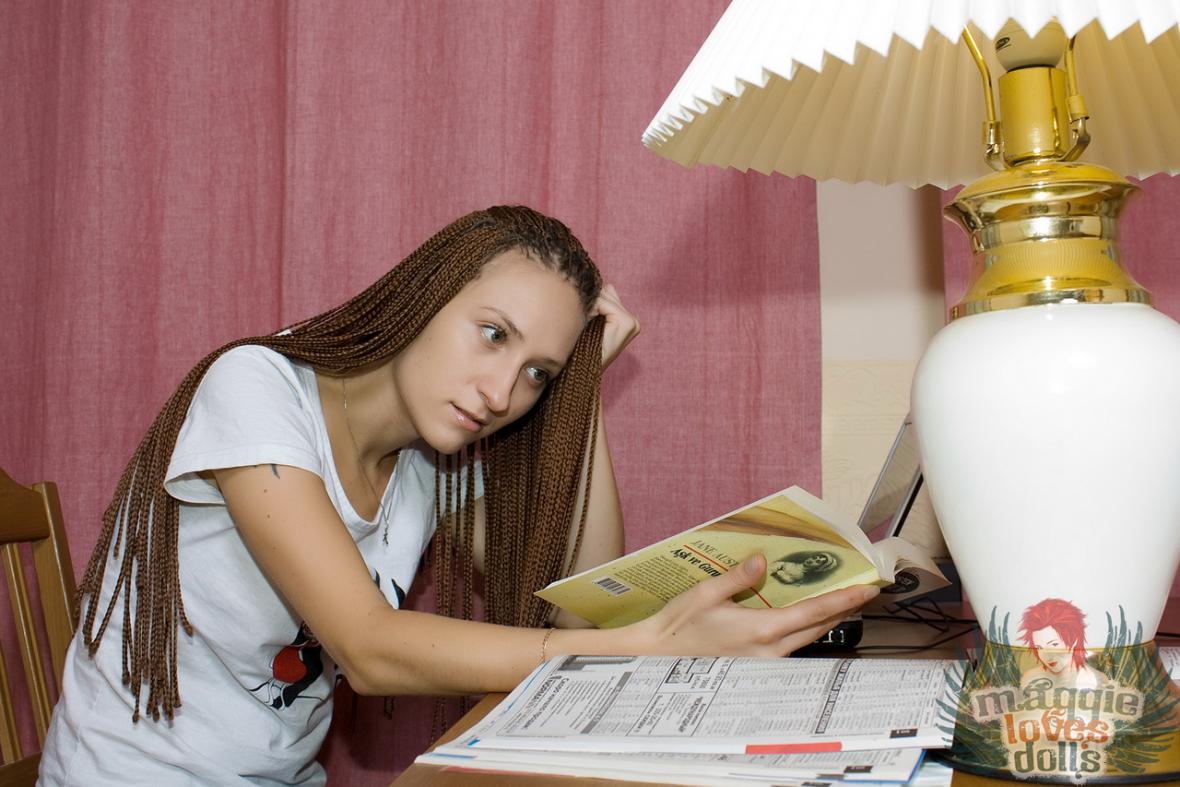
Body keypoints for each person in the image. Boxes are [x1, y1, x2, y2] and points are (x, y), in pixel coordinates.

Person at [39, 206, 877, 785]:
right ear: (426, 294)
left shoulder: (427, 459)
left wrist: (581, 392)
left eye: (537, 373)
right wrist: (651, 649)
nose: (502, 390)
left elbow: (580, 609)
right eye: (492, 333)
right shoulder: (256, 386)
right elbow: (370, 648)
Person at [1018, 597, 1106, 690]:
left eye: (1054, 644)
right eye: (1039, 648)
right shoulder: (1031, 679)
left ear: (1074, 640)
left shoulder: (1099, 680)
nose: (1047, 657)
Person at [769, 550, 842, 586]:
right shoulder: (789, 564)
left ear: (818, 567)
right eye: (814, 558)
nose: (812, 560)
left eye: (817, 562)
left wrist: (779, 571)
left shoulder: (799, 577)